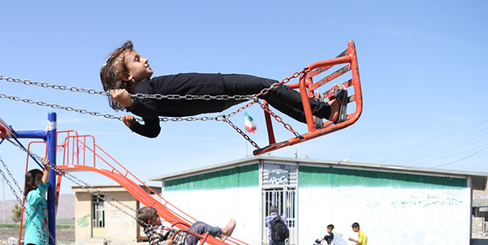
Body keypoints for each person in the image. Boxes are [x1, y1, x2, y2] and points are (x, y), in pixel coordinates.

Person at [100, 41, 348, 139]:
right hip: (217, 88)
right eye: (137, 59)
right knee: (266, 86)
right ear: (127, 76)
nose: (144, 59)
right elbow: (150, 111)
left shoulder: (144, 94)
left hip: (215, 97)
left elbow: (153, 127)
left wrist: (135, 125)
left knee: (264, 92)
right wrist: (132, 106)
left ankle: (309, 116)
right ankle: (325, 111)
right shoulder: (143, 89)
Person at [136, 206, 236, 245]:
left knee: (197, 225)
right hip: (184, 244)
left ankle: (221, 234)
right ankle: (224, 231)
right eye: (156, 216)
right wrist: (164, 244)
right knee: (199, 225)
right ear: (151, 222)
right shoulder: (153, 233)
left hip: (183, 240)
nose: (159, 216)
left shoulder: (155, 228)